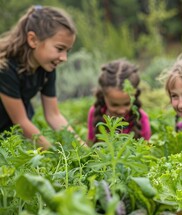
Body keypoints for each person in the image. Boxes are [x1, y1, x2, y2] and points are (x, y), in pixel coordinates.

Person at [0, 5, 84, 149]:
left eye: (67, 51)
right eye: (59, 49)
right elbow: (21, 121)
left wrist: (82, 149)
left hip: (9, 133)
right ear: (33, 40)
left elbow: (53, 115)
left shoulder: (46, 67)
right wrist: (53, 154)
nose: (64, 58)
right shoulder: (5, 68)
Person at [87, 59, 151, 144]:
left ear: (134, 96)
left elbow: (146, 152)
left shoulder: (142, 119)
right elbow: (90, 146)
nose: (121, 110)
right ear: (103, 96)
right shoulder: (95, 112)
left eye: (127, 104)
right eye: (114, 105)